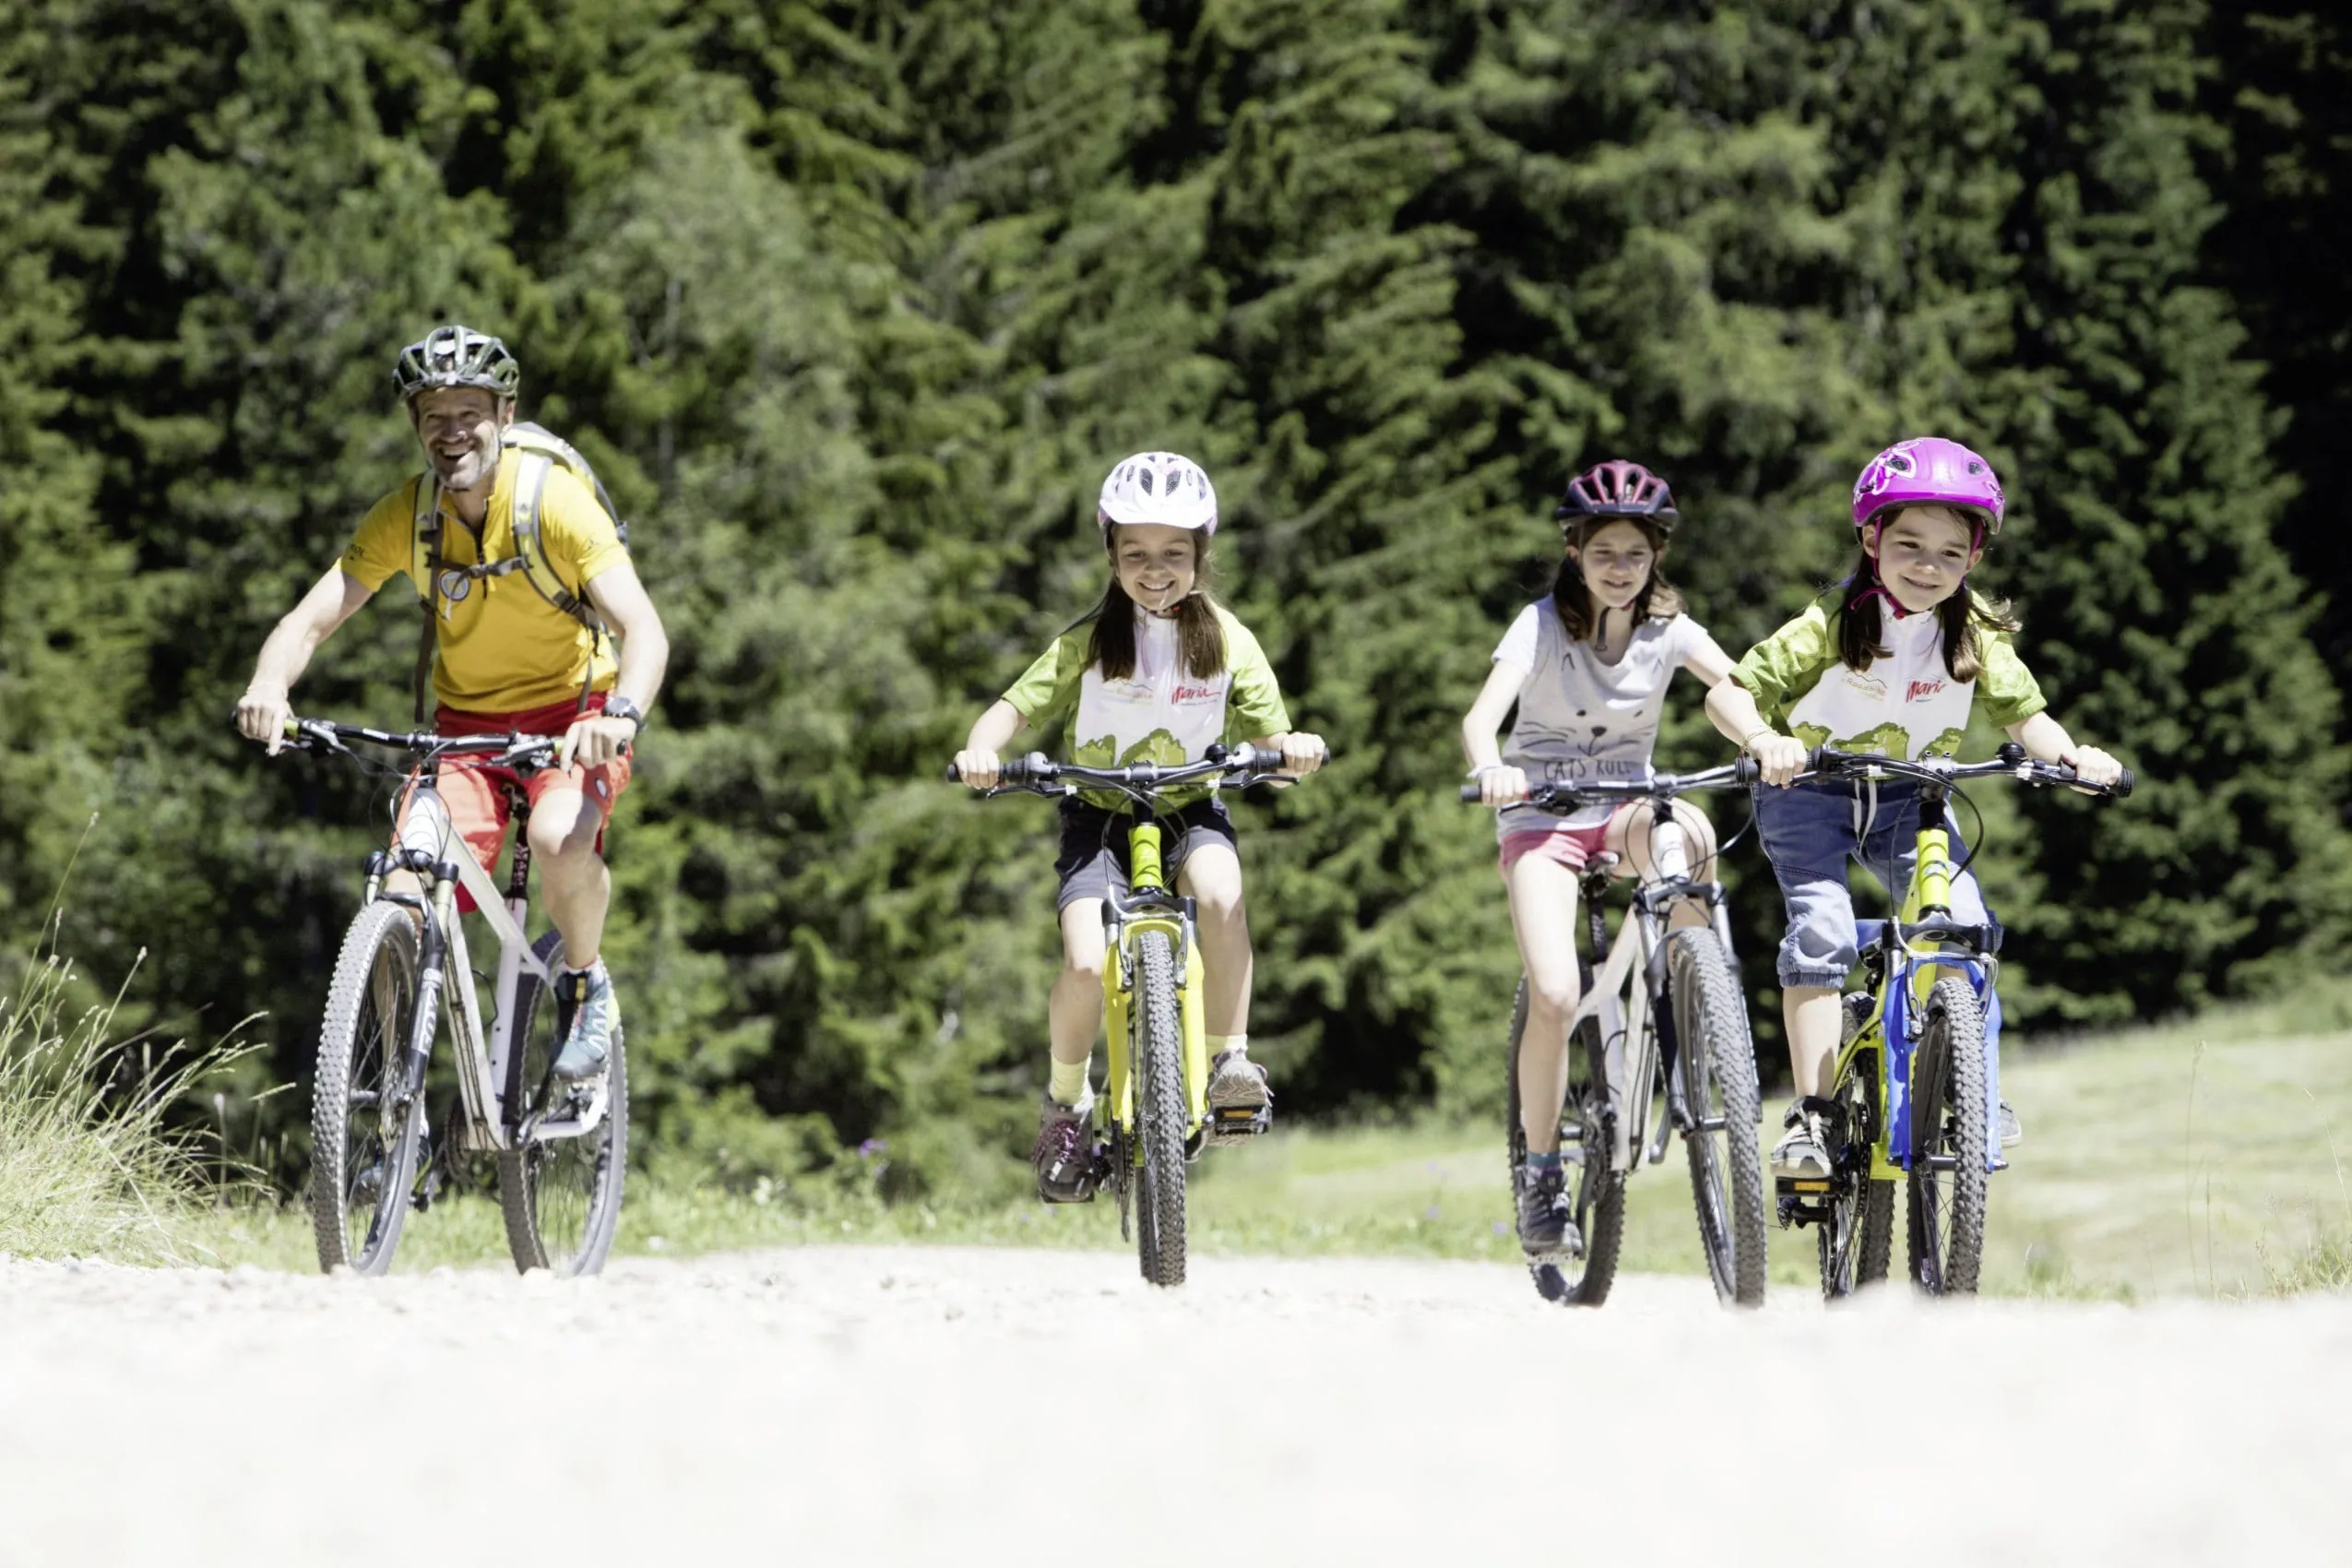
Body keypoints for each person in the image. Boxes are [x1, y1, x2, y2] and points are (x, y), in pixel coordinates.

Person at [235, 325, 670, 1080]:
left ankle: (583, 983)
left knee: (562, 837)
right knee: (403, 888)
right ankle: (393, 1091)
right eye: (434, 416)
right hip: (464, 734)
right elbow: (307, 622)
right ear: (416, 427)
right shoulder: (408, 517)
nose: (452, 431)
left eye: (470, 413)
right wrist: (270, 686)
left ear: (505, 416)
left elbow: (644, 629)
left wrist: (620, 715)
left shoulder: (554, 504)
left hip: (574, 720)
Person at [1705, 436, 2122, 1179]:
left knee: (1962, 927)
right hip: (1808, 792)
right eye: (1909, 546)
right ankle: (1812, 1114)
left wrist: (2074, 757)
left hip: (1912, 796)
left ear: (1975, 558)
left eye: (1950, 552)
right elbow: (1728, 693)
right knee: (1823, 933)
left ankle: (1970, 1086)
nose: (1928, 566)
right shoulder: (1832, 620)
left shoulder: (1975, 630)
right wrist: (1765, 740)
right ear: (1871, 540)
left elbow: (2025, 717)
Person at [953, 451, 1325, 1202]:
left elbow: (1271, 737)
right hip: (1098, 815)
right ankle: (1067, 1105)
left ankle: (1229, 1062)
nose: (1155, 571)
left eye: (1174, 554)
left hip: (1190, 809)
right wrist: (981, 751)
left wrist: (1293, 749)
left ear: (1201, 555)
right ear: (1111, 556)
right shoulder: (1089, 640)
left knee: (1221, 895)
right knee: (1084, 962)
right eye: (1136, 554)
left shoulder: (1229, 640)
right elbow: (1012, 710)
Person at [1460, 459, 1738, 1255]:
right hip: (1541, 818)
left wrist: (1761, 734)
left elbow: (1732, 684)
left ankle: (1692, 995)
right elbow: (1481, 720)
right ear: (1575, 551)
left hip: (1624, 811)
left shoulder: (1670, 629)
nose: (1621, 569)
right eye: (1605, 552)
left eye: (1636, 554)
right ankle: (1543, 1173)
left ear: (1657, 558)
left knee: (1692, 832)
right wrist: (1492, 768)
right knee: (1554, 994)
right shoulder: (1540, 624)